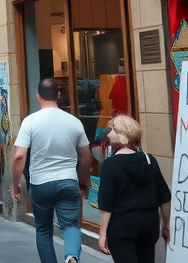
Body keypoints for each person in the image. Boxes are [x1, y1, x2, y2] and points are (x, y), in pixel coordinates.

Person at [11, 77, 90, 263]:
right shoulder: (74, 122)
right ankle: (71, 256)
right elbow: (86, 157)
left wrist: (15, 185)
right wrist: (83, 182)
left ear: (38, 97)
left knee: (44, 229)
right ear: (59, 96)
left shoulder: (30, 122)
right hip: (68, 180)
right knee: (70, 225)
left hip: (40, 183)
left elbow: (18, 156)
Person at [98, 114, 171, 263]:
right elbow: (164, 197)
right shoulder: (150, 160)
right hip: (148, 225)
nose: (108, 133)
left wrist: (103, 233)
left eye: (112, 129)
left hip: (122, 226)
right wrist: (166, 224)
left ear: (121, 135)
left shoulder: (111, 165)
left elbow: (106, 203)